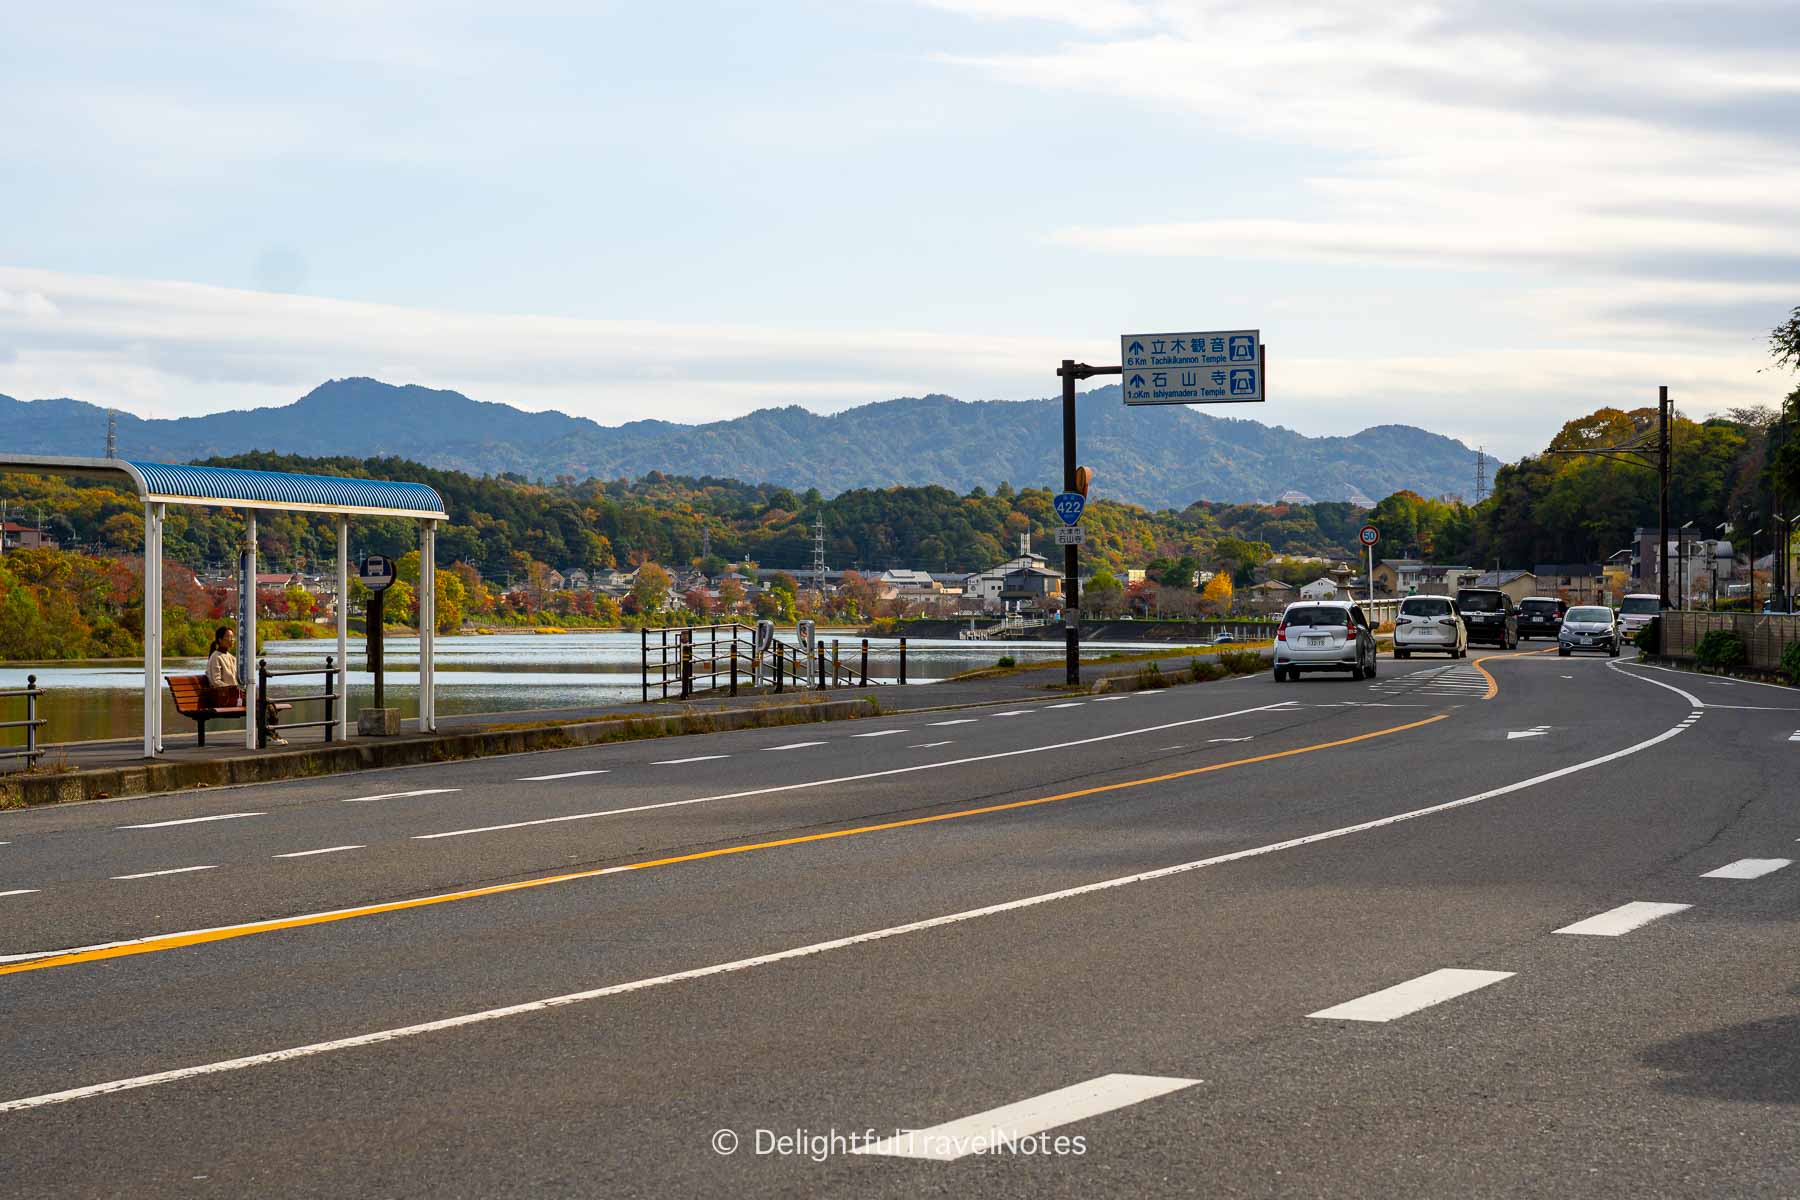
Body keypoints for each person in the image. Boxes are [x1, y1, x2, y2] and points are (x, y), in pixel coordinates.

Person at [204, 627, 286, 745]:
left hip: (237, 696)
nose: (232, 639)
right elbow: (215, 681)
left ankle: (270, 734)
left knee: (267, 702)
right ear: (220, 639)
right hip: (226, 698)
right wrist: (233, 689)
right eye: (228, 637)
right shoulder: (215, 658)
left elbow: (240, 678)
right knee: (258, 704)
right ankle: (267, 735)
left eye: (233, 637)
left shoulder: (231, 658)